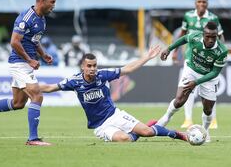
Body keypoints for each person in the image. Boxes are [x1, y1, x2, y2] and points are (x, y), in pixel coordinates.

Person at [39, 46, 188, 142]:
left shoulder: (103, 75)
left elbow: (128, 69)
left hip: (114, 115)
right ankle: (139, 130)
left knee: (148, 132)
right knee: (125, 139)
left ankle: (177, 134)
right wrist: (27, 87)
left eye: (94, 65)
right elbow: (50, 88)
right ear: (82, 67)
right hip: (100, 126)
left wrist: (147, 57)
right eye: (89, 66)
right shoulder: (74, 81)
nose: (92, 69)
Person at [0, 0, 58, 146]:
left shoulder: (42, 20)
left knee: (18, 103)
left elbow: (34, 40)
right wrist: (29, 60)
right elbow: (14, 42)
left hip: (25, 64)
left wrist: (43, 54)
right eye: (52, 2)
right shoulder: (26, 18)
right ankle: (33, 139)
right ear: (42, 0)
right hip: (19, 63)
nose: (53, 6)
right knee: (37, 96)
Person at [150, 22, 228, 143]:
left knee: (208, 109)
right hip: (191, 69)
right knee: (180, 100)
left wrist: (196, 82)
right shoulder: (195, 37)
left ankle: (205, 131)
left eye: (214, 37)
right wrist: (169, 49)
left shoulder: (222, 51)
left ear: (217, 36)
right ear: (203, 35)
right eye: (208, 36)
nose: (211, 39)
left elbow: (214, 73)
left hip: (208, 77)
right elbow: (183, 39)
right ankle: (164, 120)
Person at [172, 0, 224, 129]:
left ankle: (213, 119)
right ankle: (188, 119)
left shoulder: (213, 18)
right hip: (190, 56)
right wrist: (175, 51)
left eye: (204, 2)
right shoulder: (188, 16)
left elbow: (220, 36)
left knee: (210, 89)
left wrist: (220, 53)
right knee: (187, 88)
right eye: (199, 1)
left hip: (209, 58)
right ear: (195, 3)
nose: (201, 4)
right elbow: (183, 34)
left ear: (207, 4)